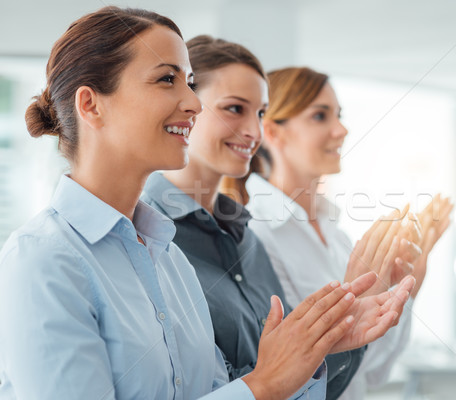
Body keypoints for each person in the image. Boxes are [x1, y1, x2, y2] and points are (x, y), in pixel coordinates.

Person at [0, 9, 412, 400]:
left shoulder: (170, 259)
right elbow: (252, 389)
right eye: (167, 80)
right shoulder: (41, 260)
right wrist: (264, 383)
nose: (193, 103)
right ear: (91, 104)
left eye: (191, 82)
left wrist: (311, 352)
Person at [142, 35, 417, 399]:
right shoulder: (149, 234)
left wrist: (339, 333)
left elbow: (300, 378)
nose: (255, 132)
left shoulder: (247, 239)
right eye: (234, 109)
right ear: (188, 106)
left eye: (259, 113)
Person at [227, 67, 453, 399]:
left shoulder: (338, 235)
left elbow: (374, 373)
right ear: (273, 132)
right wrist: (360, 296)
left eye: (339, 115)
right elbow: (294, 377)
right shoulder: (256, 233)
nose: (341, 129)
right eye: (320, 116)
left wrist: (405, 288)